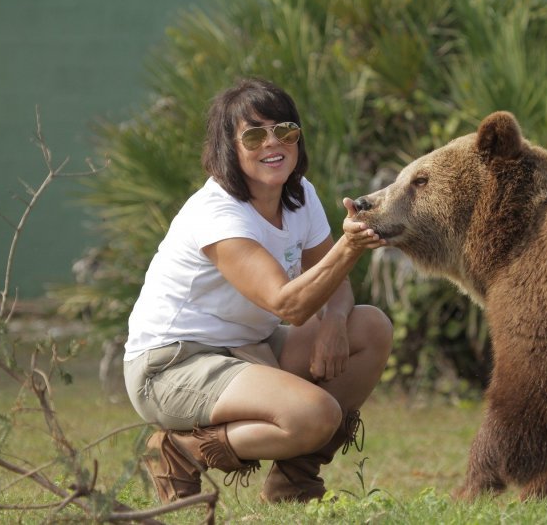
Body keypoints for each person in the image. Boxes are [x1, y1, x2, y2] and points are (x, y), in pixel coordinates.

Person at [122, 77, 393, 504]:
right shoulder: (217, 213)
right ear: (228, 148)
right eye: (254, 134)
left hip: (250, 346)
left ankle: (293, 483)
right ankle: (180, 451)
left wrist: (336, 322)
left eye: (286, 130)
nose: (274, 142)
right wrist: (351, 245)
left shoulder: (298, 195)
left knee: (371, 327)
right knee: (314, 414)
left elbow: (332, 283)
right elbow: (288, 303)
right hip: (171, 365)